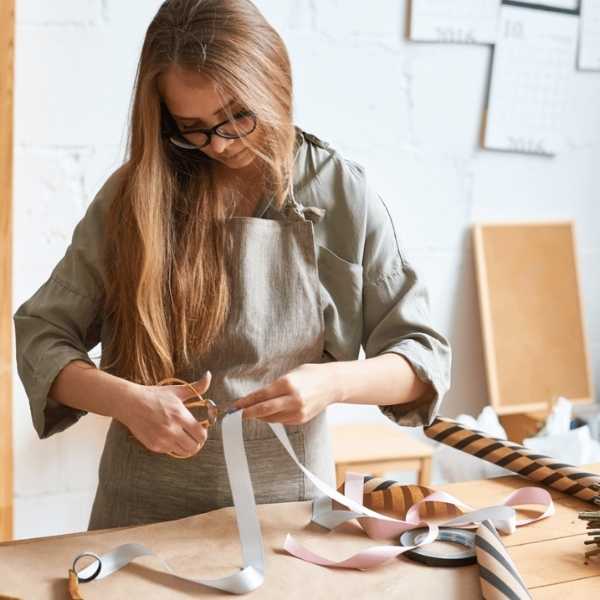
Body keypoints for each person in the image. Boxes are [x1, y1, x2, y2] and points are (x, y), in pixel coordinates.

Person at [13, 0, 451, 530]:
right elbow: (42, 334)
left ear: (274, 83)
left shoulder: (337, 193)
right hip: (141, 513)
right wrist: (125, 400)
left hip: (284, 517)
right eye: (191, 127)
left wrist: (332, 383)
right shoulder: (135, 195)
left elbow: (422, 358)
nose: (219, 145)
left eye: (237, 116)